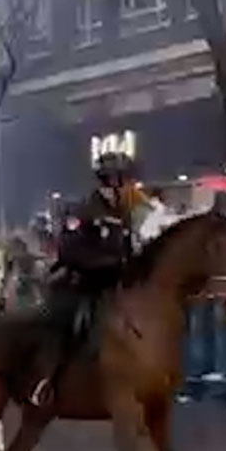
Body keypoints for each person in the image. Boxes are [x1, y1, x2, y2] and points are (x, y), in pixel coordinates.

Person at [28, 151, 138, 407]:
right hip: (85, 283)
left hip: (116, 284)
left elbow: (128, 249)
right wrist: (103, 264)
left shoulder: (124, 213)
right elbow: (69, 249)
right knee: (66, 323)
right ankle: (45, 381)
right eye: (112, 180)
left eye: (119, 180)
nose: (117, 186)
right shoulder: (84, 210)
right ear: (104, 181)